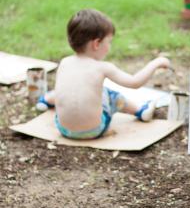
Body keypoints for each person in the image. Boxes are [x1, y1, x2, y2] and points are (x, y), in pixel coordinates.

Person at [36, 9, 171, 139]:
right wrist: (157, 63)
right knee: (110, 94)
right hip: (94, 130)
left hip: (64, 129)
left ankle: (45, 100)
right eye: (109, 42)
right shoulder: (103, 68)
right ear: (96, 44)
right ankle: (140, 111)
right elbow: (134, 83)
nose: (109, 46)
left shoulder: (65, 62)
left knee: (69, 89)